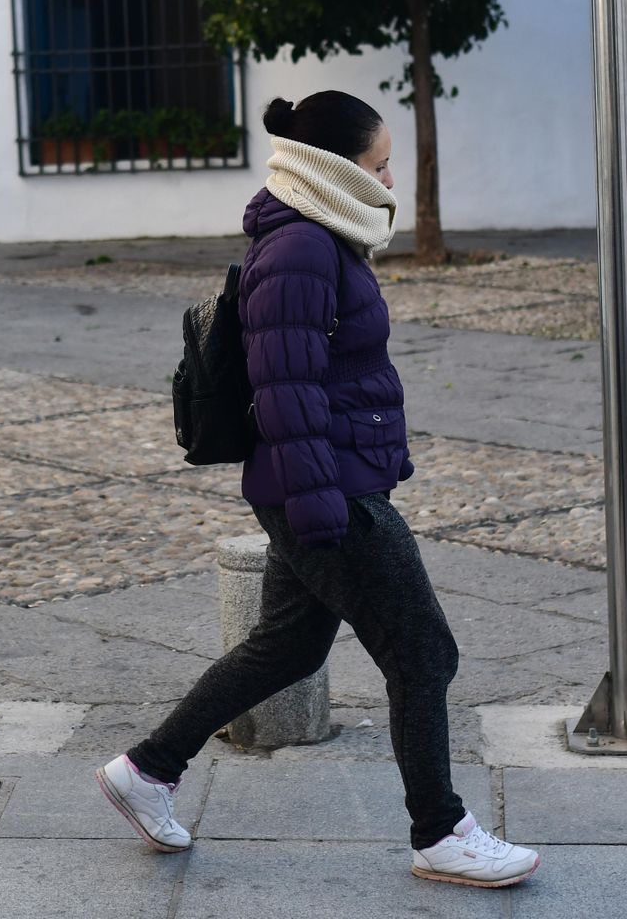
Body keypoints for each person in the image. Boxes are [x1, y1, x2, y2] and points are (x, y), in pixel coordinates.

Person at [97, 91, 540, 889]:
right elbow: (285, 386)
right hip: (327, 489)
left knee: (291, 646)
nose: (390, 177)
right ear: (336, 169)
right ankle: (441, 833)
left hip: (326, 480)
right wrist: (320, 507)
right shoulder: (301, 247)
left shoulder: (319, 233)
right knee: (424, 653)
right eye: (379, 164)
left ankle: (148, 770)